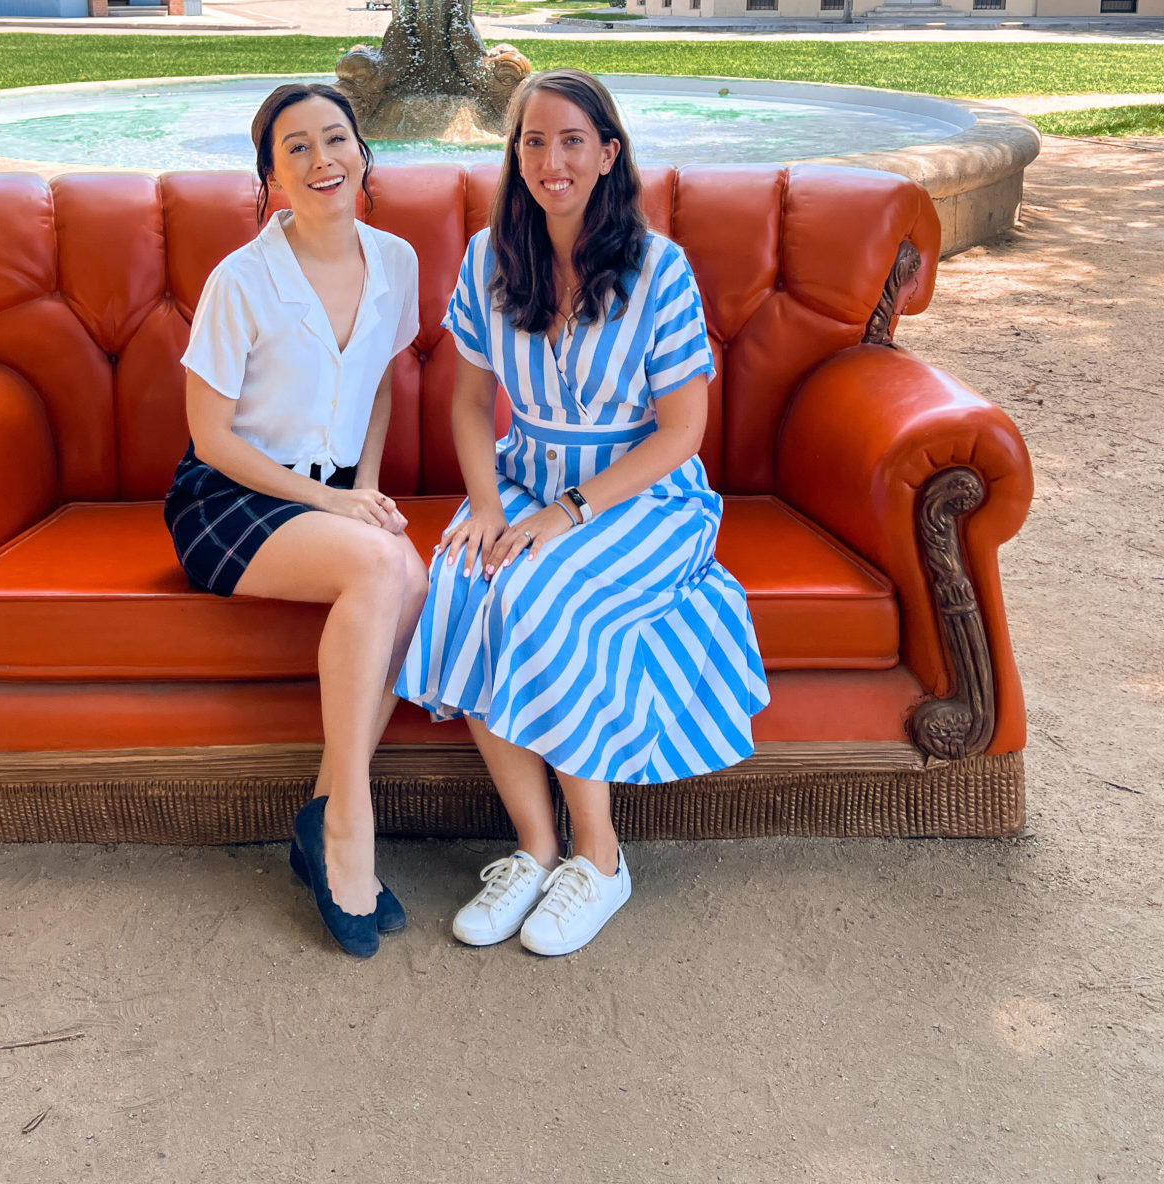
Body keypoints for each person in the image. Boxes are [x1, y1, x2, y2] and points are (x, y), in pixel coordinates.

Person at [399, 69, 768, 958]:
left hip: (642, 493)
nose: (551, 160)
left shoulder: (658, 269)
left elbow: (682, 432)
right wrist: (487, 507)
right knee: (462, 577)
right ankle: (535, 848)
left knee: (541, 595)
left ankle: (600, 859)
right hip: (523, 478)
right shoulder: (492, 256)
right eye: (533, 141)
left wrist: (567, 512)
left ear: (608, 155)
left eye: (572, 142)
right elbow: (466, 403)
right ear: (514, 154)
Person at [165, 83, 427, 959]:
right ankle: (350, 825)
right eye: (297, 149)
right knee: (377, 568)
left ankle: (325, 810)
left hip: (335, 492)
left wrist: (369, 491)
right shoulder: (241, 279)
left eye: (335, 140)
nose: (322, 161)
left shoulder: (394, 262)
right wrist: (337, 506)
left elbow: (381, 384)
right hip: (230, 497)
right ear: (270, 174)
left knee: (414, 579)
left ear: (362, 153)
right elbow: (209, 436)